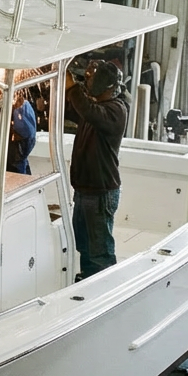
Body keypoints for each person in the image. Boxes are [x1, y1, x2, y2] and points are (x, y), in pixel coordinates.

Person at [65, 58, 128, 278]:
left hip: (100, 193)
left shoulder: (115, 111)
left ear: (107, 84)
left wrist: (72, 86)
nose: (88, 80)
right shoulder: (95, 107)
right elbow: (78, 109)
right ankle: (87, 280)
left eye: (92, 77)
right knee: (84, 245)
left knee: (99, 253)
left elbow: (88, 110)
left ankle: (103, 289)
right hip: (85, 190)